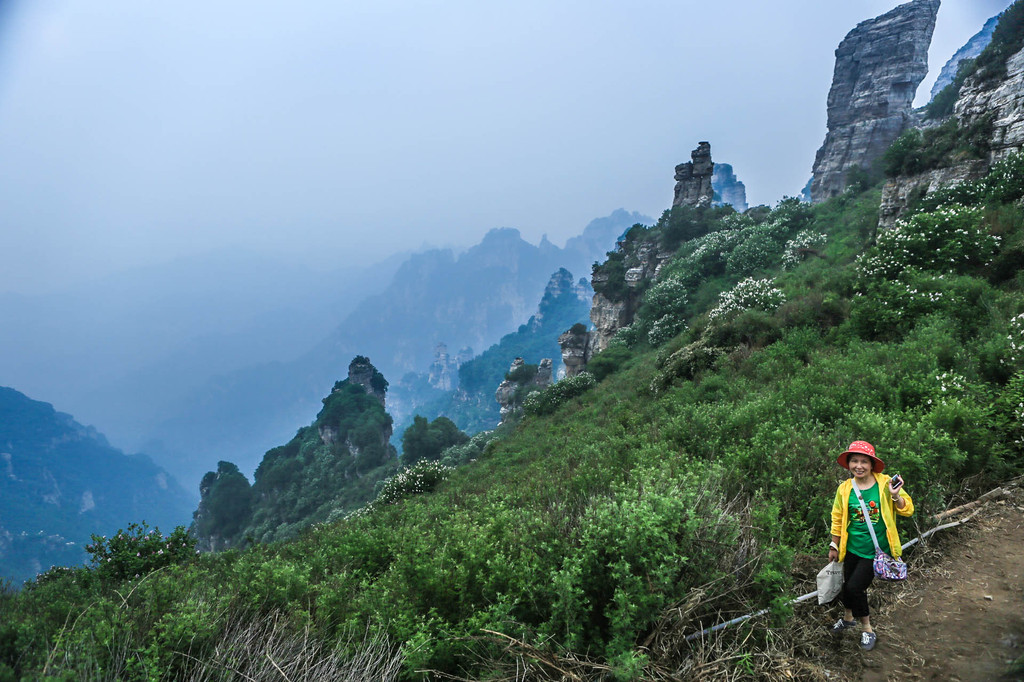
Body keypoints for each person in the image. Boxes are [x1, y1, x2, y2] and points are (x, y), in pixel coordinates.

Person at [827, 440, 914, 651]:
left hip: (876, 550)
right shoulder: (845, 488)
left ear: (871, 464)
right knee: (846, 584)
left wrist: (895, 496)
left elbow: (907, 509)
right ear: (848, 464)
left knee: (855, 588)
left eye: (863, 461)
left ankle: (867, 628)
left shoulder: (885, 484)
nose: (859, 466)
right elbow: (837, 518)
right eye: (854, 461)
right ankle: (848, 618)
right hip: (851, 547)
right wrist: (834, 545)